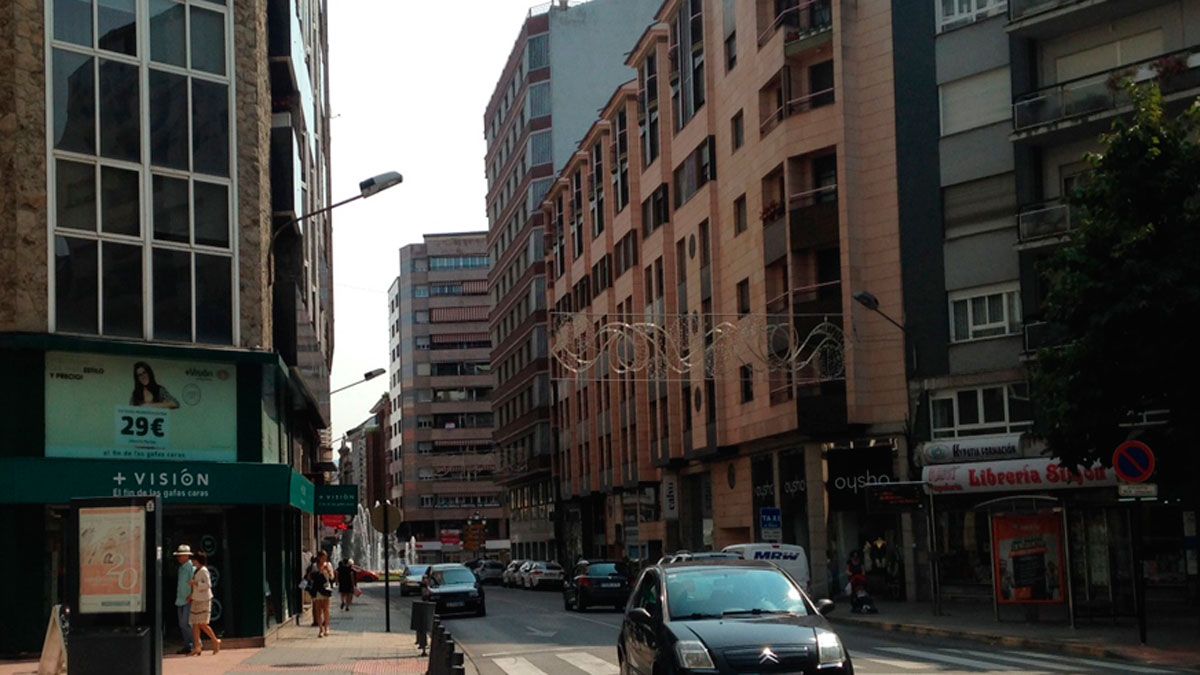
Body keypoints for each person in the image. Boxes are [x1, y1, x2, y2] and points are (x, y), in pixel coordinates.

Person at [188, 552, 220, 655]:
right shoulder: (197, 570)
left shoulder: (204, 570)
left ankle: (215, 640)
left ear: (198, 560)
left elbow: (208, 584)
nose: (193, 562)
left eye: (194, 560)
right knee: (195, 623)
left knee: (202, 623)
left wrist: (196, 583)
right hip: (196, 599)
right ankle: (197, 646)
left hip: (204, 600)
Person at [173, 544, 195, 655]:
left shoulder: (191, 567)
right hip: (180, 599)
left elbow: (194, 583)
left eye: (181, 555)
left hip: (188, 599)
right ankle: (188, 645)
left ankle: (195, 644)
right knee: (182, 624)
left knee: (186, 623)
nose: (179, 558)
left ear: (187, 556)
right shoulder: (181, 568)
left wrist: (191, 595)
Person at [309, 550, 334, 637]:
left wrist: (328, 571)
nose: (324, 559)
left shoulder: (328, 565)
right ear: (319, 557)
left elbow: (332, 577)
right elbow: (310, 577)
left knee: (326, 610)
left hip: (326, 589)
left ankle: (327, 627)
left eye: (325, 557)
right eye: (323, 557)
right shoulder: (315, 566)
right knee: (318, 610)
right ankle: (320, 629)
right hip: (318, 590)